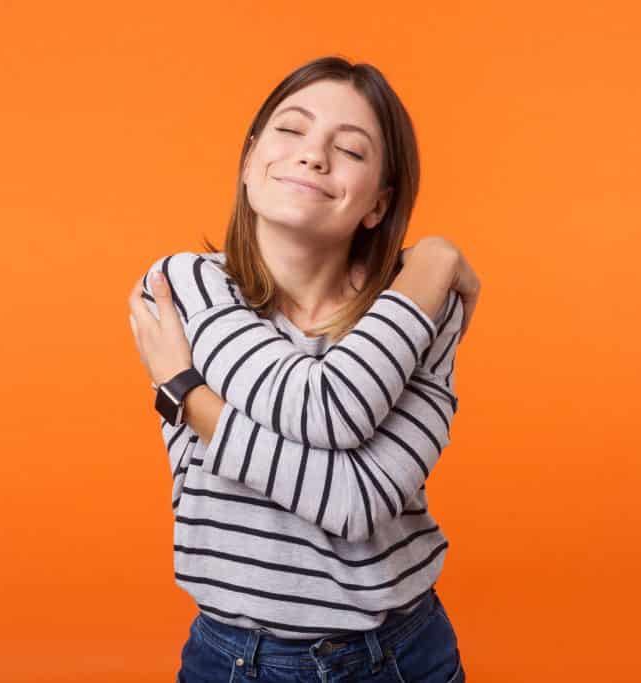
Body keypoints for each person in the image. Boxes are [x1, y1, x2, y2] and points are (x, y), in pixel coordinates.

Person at [128, 56, 480, 682]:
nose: (314, 156)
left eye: (349, 149)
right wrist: (438, 261)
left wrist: (188, 394)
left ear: (378, 203)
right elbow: (319, 404)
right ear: (249, 161)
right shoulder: (186, 287)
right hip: (237, 659)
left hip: (404, 653)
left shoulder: (423, 303)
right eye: (291, 130)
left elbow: (356, 502)